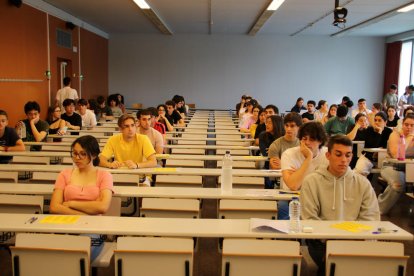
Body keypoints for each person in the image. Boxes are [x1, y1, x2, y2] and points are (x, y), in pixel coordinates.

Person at [300, 135, 380, 276]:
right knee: (335, 266)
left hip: (355, 241)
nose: (344, 160)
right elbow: (309, 218)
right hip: (322, 243)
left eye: (348, 155)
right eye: (338, 154)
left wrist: (352, 241)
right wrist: (334, 243)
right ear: (328, 155)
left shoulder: (362, 183)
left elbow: (371, 218)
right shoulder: (311, 181)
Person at [50, 135, 113, 215]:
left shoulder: (105, 176)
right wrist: (84, 215)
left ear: (94, 155)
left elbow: (103, 207)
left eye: (83, 154)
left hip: (95, 224)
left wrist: (70, 204)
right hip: (68, 222)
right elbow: (54, 207)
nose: (77, 157)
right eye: (75, 153)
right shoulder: (64, 174)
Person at [279, 121, 328, 219]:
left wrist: (297, 174)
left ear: (320, 141)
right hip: (292, 198)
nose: (307, 143)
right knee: (282, 207)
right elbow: (293, 185)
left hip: (319, 197)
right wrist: (308, 158)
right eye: (304, 139)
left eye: (312, 139)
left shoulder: (327, 155)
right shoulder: (289, 154)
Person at [99, 114, 156, 185]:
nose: (130, 129)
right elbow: (101, 160)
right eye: (126, 126)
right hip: (119, 176)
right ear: (120, 129)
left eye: (132, 125)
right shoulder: (113, 139)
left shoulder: (143, 139)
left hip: (140, 176)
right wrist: (110, 164)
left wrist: (136, 165)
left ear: (135, 126)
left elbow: (153, 162)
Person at [378, 113, 414, 214]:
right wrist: (408, 138)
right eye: (406, 124)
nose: (409, 127)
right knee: (398, 184)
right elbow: (395, 155)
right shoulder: (395, 134)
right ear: (402, 124)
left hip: (410, 168)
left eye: (412, 125)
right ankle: (379, 209)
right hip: (391, 166)